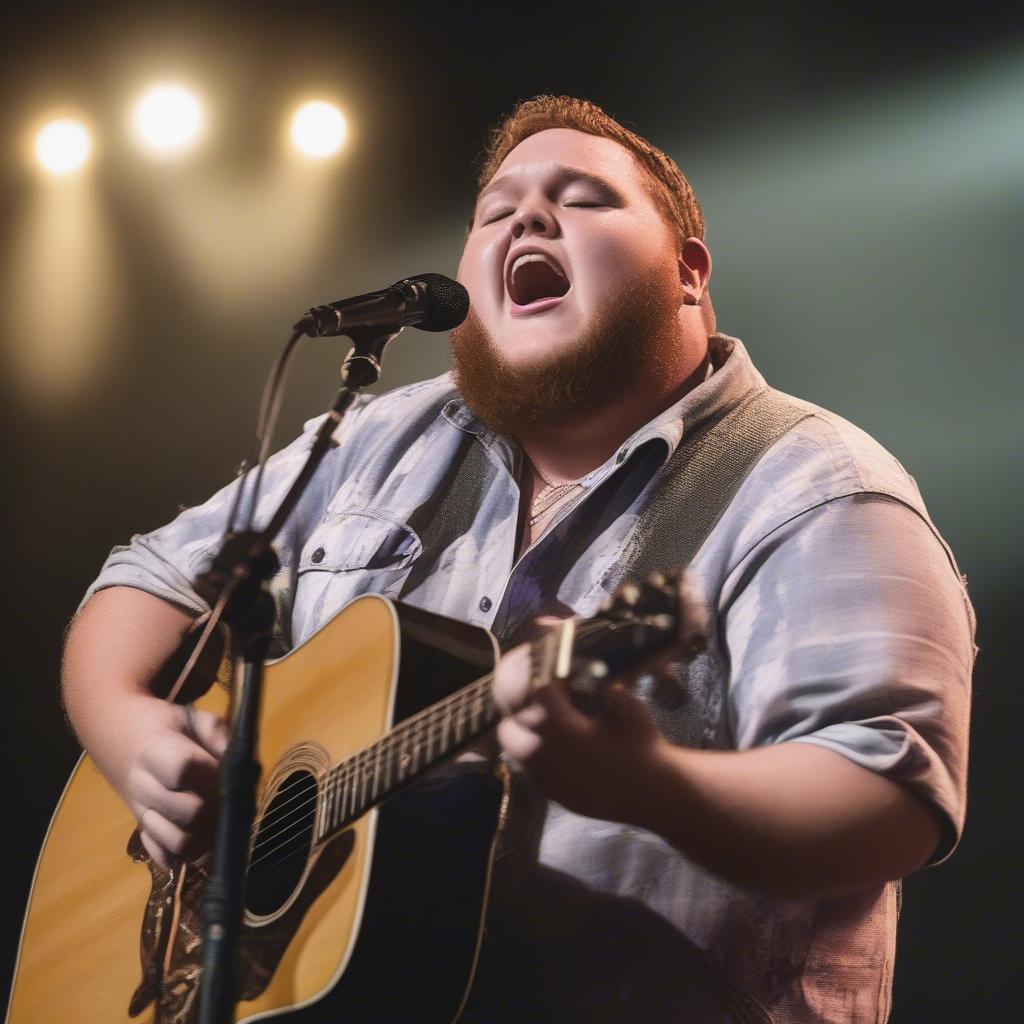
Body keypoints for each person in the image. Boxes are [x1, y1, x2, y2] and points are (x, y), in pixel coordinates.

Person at [62, 96, 975, 1022]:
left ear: (689, 275)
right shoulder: (383, 436)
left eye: (584, 200)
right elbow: (149, 576)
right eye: (498, 212)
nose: (529, 218)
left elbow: (883, 797)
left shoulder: (811, 487)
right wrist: (131, 731)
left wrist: (651, 786)